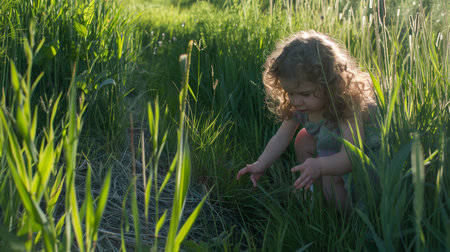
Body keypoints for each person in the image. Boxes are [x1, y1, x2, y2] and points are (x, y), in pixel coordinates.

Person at [236, 30, 379, 213]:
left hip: (363, 162)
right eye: (290, 93)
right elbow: (280, 138)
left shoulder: (345, 106)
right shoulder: (300, 107)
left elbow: (352, 158)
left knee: (327, 172)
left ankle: (346, 215)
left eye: (304, 94)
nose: (295, 101)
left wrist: (319, 166)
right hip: (332, 152)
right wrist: (261, 163)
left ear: (329, 84)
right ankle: (315, 191)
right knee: (303, 139)